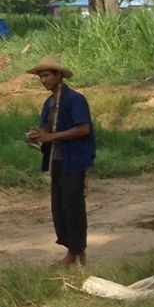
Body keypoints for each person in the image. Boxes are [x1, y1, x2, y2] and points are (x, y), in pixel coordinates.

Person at [25, 56, 95, 266]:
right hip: (56, 161)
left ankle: (76, 252)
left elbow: (83, 129)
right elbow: (47, 130)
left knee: (73, 207)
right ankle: (71, 250)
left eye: (46, 75)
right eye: (40, 76)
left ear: (59, 76)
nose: (43, 80)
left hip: (74, 161)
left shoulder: (74, 100)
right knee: (59, 208)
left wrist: (51, 137)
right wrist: (39, 135)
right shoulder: (49, 103)